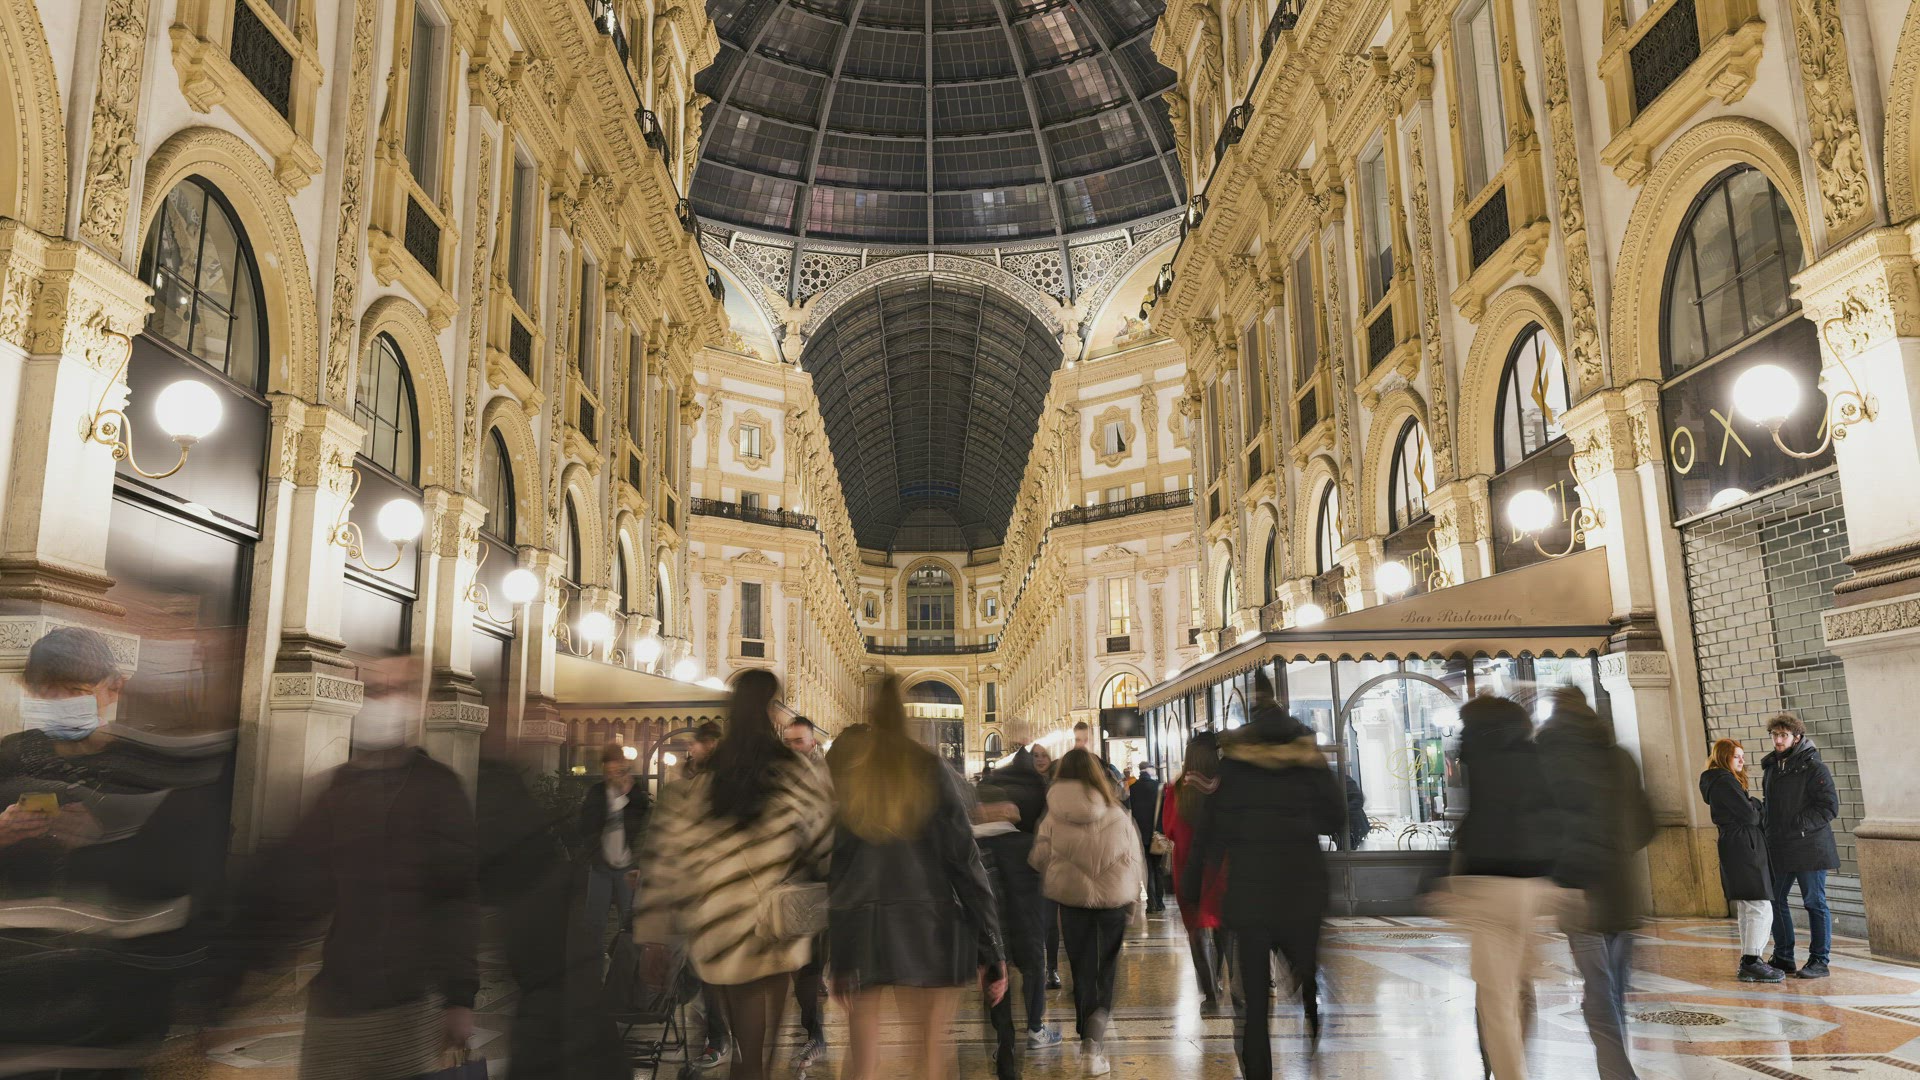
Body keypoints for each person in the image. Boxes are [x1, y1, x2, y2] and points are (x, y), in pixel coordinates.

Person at [220, 662, 479, 1080]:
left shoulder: (438, 788)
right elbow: (291, 892)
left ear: (416, 704)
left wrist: (460, 996)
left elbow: (456, 898)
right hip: (340, 997)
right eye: (374, 688)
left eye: (396, 689)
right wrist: (233, 984)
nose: (382, 700)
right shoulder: (340, 787)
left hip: (409, 1001)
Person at [641, 670, 833, 1080]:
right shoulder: (794, 773)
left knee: (746, 1049)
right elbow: (824, 842)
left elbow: (666, 858)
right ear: (770, 710)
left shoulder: (703, 780)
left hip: (717, 928)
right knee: (756, 1056)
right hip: (772, 929)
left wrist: (654, 937)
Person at [827, 677, 1005, 1080]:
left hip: (864, 924)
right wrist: (992, 947)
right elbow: (964, 861)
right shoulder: (930, 769)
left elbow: (840, 871)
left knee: (862, 1059)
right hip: (930, 925)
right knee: (930, 1053)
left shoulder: (856, 777)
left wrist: (837, 956)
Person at [1187, 671, 1342, 1080]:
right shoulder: (1307, 752)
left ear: (1250, 711)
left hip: (1250, 893)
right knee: (1304, 972)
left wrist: (1192, 883)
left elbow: (1212, 830)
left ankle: (1259, 1072)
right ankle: (1311, 1020)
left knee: (1254, 1002)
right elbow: (1336, 816)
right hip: (1303, 887)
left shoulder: (1235, 759)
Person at [1537, 685, 1654, 1080]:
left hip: (1577, 888)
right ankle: (1615, 1067)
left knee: (1598, 987)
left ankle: (1616, 1071)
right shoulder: (1619, 755)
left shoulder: (1547, 757)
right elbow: (1644, 825)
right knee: (1613, 987)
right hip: (1620, 887)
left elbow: (1543, 827)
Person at [1441, 694, 1560, 1080]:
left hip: (1486, 884)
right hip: (1531, 883)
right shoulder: (1532, 753)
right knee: (1520, 986)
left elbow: (1477, 816)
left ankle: (1508, 1072)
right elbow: (1548, 812)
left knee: (1495, 998)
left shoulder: (1475, 752)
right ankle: (1518, 1061)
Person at [1030, 748, 1142, 1077]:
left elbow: (1038, 858)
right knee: (1105, 972)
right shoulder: (1117, 812)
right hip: (1113, 904)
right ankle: (1094, 1045)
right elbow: (1133, 860)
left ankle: (1084, 1040)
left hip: (1072, 901)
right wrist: (1134, 904)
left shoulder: (1053, 814)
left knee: (1081, 970)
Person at [975, 720, 1060, 1071]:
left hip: (992, 918)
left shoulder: (976, 847)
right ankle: (1036, 1028)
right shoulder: (1031, 834)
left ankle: (1002, 1039)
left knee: (996, 968)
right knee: (1034, 964)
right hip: (1029, 909)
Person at [1760, 713, 1838, 980]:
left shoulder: (1814, 767)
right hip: (1780, 846)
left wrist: (1798, 824)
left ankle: (1819, 960)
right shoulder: (1771, 768)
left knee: (1814, 902)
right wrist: (1765, 826)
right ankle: (1784, 956)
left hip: (1810, 847)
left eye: (1783, 735)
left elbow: (1829, 807)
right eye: (1775, 735)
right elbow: (1770, 806)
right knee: (1774, 899)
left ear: (1797, 737)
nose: (1778, 740)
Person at [1700, 739, 1783, 983]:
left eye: (1742, 756)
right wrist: (1757, 804)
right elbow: (1748, 814)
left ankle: (1751, 959)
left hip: (1737, 843)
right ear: (1724, 757)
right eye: (1737, 756)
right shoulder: (1724, 780)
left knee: (1749, 904)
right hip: (1744, 845)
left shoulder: (1716, 781)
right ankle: (1751, 960)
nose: (1742, 760)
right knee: (1759, 904)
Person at [1160, 733, 1230, 1009]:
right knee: (1223, 924)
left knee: (1195, 929)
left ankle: (1210, 991)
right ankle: (1222, 977)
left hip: (1187, 865)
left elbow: (1169, 830)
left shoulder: (1177, 789)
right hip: (1220, 865)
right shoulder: (1224, 786)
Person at [781, 716, 830, 1067]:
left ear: (813, 742)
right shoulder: (781, 775)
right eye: (789, 741)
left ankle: (815, 1032)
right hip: (792, 880)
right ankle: (814, 1030)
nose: (794, 747)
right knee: (802, 962)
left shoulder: (827, 776)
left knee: (810, 960)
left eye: (799, 741)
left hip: (821, 880)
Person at [579, 742, 649, 950]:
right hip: (601, 864)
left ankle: (624, 964)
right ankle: (593, 963)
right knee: (595, 919)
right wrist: (594, 854)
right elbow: (588, 824)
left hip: (627, 865)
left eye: (615, 770)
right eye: (608, 771)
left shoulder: (635, 793)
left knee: (627, 918)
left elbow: (642, 819)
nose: (612, 775)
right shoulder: (598, 793)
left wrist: (627, 793)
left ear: (623, 766)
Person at [1028, 741, 1062, 991]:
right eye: (1036, 755)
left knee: (1050, 920)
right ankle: (1033, 965)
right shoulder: (1024, 785)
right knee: (1032, 918)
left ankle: (1051, 968)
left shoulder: (1056, 788)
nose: (1040, 759)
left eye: (1044, 755)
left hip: (1051, 859)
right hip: (1028, 857)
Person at [1129, 763, 1163, 914]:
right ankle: (1160, 902)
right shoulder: (1159, 788)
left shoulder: (1132, 789)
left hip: (1139, 836)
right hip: (1158, 835)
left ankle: (1151, 903)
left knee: (1147, 869)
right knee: (1159, 869)